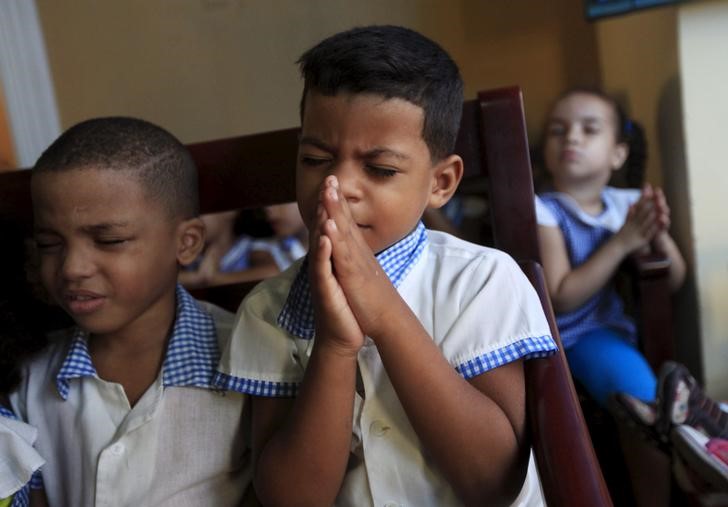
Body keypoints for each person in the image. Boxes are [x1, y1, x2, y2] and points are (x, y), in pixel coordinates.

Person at [214, 25, 557, 506]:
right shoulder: (267, 310)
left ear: (440, 182)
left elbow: (492, 484)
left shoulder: (480, 281)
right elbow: (291, 499)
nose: (339, 185)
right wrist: (335, 345)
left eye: (380, 170)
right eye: (315, 159)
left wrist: (383, 313)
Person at [8, 117, 253, 506]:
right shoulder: (29, 379)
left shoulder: (249, 363)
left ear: (186, 243)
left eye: (109, 240)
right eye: (49, 244)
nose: (73, 267)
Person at [534, 87, 687, 507]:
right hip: (570, 335)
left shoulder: (626, 204)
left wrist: (655, 232)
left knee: (649, 407)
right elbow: (561, 297)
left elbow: (672, 279)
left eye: (589, 129)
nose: (572, 139)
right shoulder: (543, 210)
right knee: (641, 400)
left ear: (618, 154)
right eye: (558, 131)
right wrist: (621, 243)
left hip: (613, 330)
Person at [179, 203, 307, 289]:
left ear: (229, 210)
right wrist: (195, 278)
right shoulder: (189, 257)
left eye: (199, 210)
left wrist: (211, 279)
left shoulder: (252, 247)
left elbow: (271, 272)